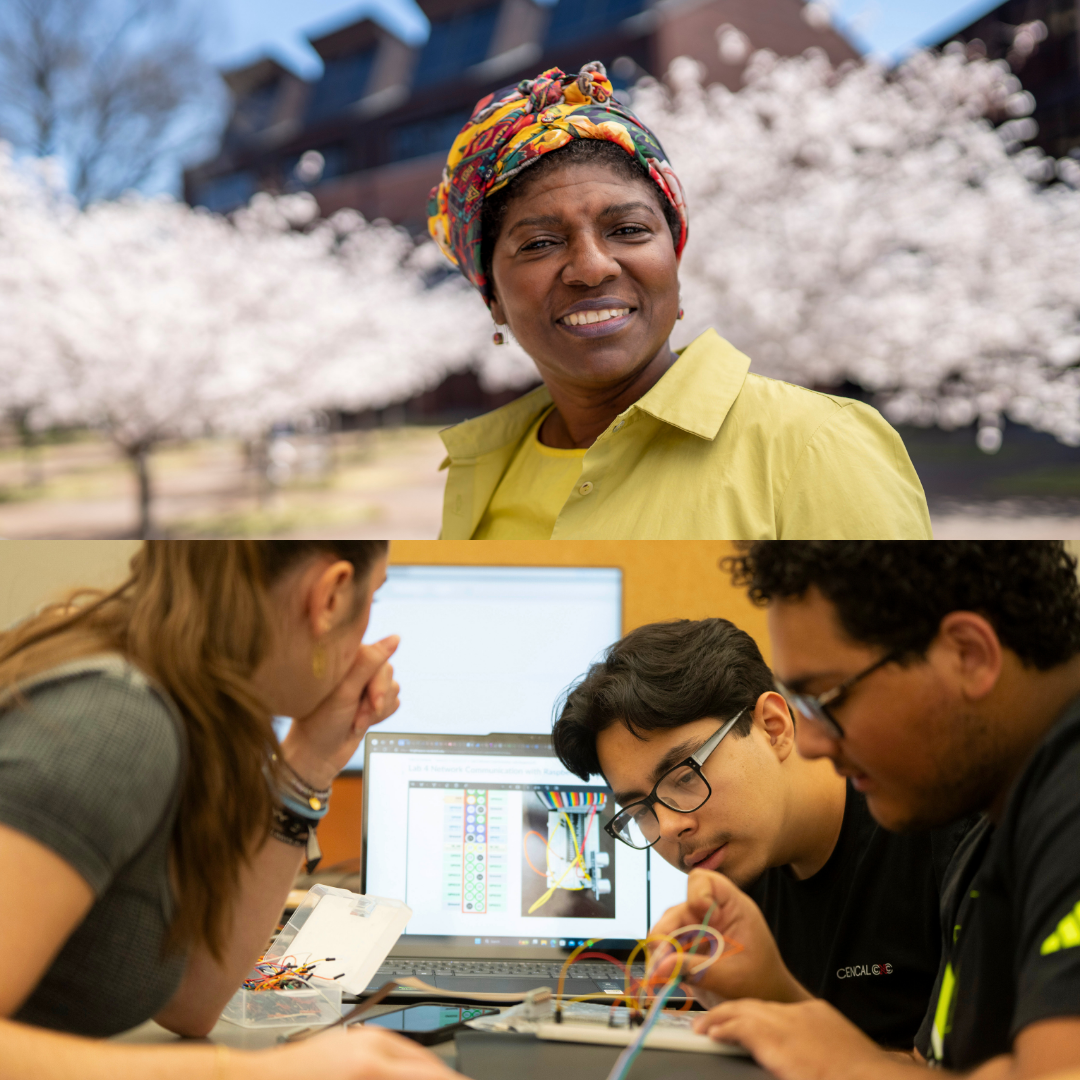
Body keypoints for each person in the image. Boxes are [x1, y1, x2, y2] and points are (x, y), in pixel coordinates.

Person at [0, 541, 455, 1080]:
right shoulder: (114, 727)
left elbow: (192, 998)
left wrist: (309, 762)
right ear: (330, 595)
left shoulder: (187, 704)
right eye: (372, 595)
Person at [427, 61, 932, 540]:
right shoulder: (481, 469)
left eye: (628, 230)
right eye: (539, 243)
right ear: (492, 297)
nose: (592, 267)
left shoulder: (816, 445)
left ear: (674, 258)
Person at [678, 541, 1080, 1080]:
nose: (812, 742)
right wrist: (775, 997)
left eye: (826, 698)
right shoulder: (995, 835)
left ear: (970, 655)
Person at [551, 618, 966, 1049]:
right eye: (639, 809)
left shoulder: (941, 830)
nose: (671, 826)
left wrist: (775, 999)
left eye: (684, 775)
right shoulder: (734, 888)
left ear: (773, 726)